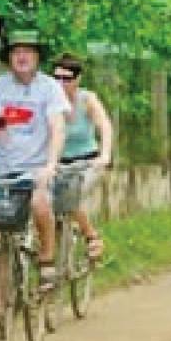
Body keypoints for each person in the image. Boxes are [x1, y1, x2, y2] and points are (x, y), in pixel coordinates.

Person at [0, 29, 68, 279]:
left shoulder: (50, 88)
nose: (22, 57)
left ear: (37, 57)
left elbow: (58, 128)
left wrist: (50, 165)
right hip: (1, 169)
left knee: (40, 203)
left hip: (36, 168)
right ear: (9, 57)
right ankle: (3, 288)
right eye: (16, 52)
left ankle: (47, 259)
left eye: (27, 51)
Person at [50, 53, 114, 266]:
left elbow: (104, 126)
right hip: (58, 164)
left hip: (87, 163)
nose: (60, 83)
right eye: (56, 78)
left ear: (77, 79)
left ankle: (91, 237)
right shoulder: (47, 102)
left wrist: (105, 155)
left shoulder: (86, 99)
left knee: (70, 196)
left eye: (66, 79)